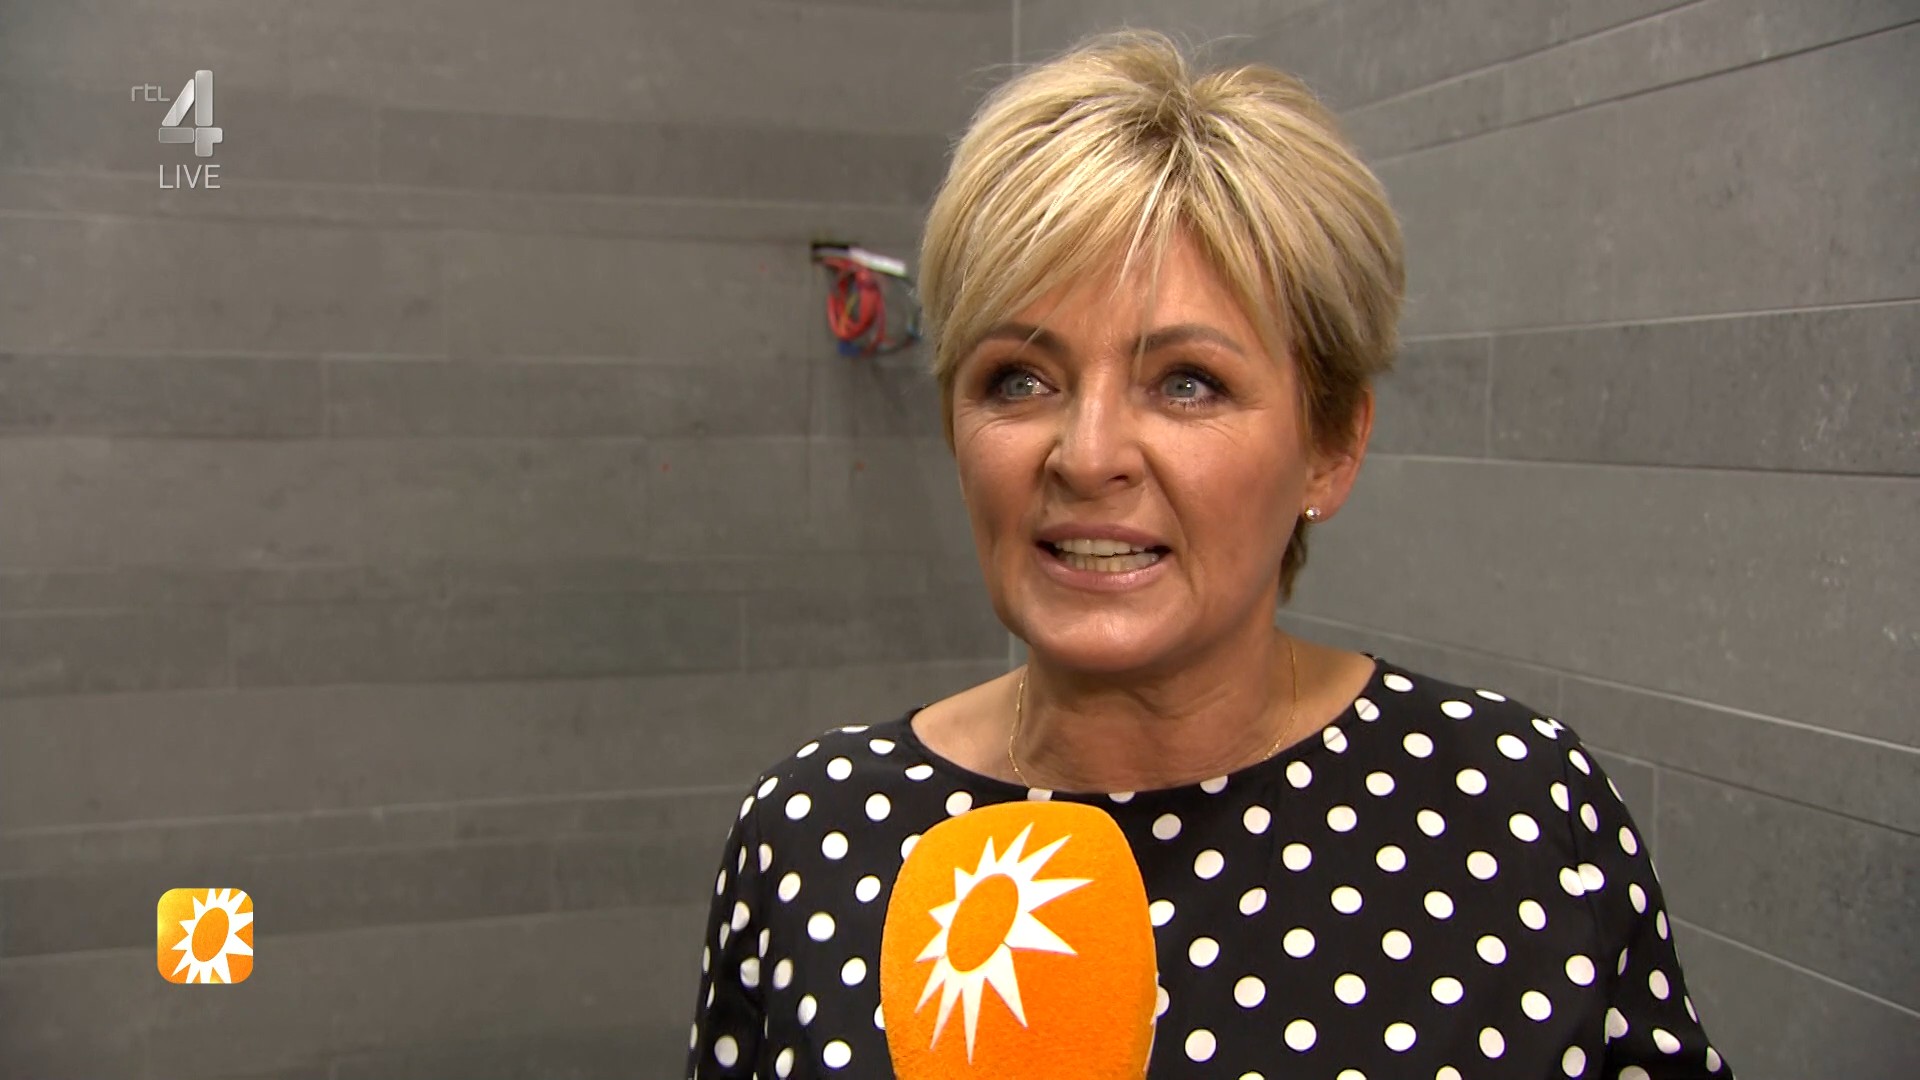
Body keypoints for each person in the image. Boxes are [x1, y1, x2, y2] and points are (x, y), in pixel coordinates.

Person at [686, 29, 1730, 1080]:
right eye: (1018, 379)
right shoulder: (812, 836)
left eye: (1187, 383)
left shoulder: (1516, 814)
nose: (1088, 455)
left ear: (1331, 445)